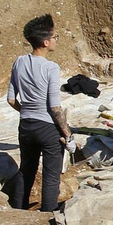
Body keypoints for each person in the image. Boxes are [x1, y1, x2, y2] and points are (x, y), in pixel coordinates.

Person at [6, 15, 71, 213]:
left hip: (26, 126)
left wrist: (27, 111)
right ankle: (48, 213)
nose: (56, 40)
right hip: (48, 129)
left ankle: (18, 210)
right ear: (45, 42)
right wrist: (68, 134)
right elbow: (54, 107)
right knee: (51, 175)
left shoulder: (19, 62)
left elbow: (10, 99)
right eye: (55, 36)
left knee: (27, 170)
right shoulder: (51, 68)